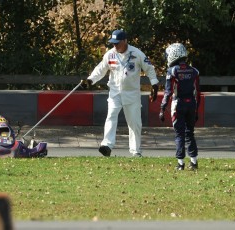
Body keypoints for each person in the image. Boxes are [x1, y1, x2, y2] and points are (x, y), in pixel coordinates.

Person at [84, 29, 159, 157]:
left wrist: (154, 84)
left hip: (132, 94)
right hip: (115, 92)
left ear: (125, 41)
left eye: (117, 43)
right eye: (113, 43)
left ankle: (136, 151)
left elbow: (149, 68)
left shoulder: (137, 53)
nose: (115, 45)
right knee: (111, 116)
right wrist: (90, 80)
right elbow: (101, 69)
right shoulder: (110, 54)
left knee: (134, 122)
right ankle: (106, 145)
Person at [159, 43, 200, 170]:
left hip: (178, 104)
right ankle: (193, 162)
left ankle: (180, 163)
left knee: (179, 134)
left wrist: (162, 108)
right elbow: (197, 92)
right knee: (190, 133)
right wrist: (196, 109)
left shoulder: (172, 71)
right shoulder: (194, 71)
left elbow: (168, 91)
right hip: (192, 104)